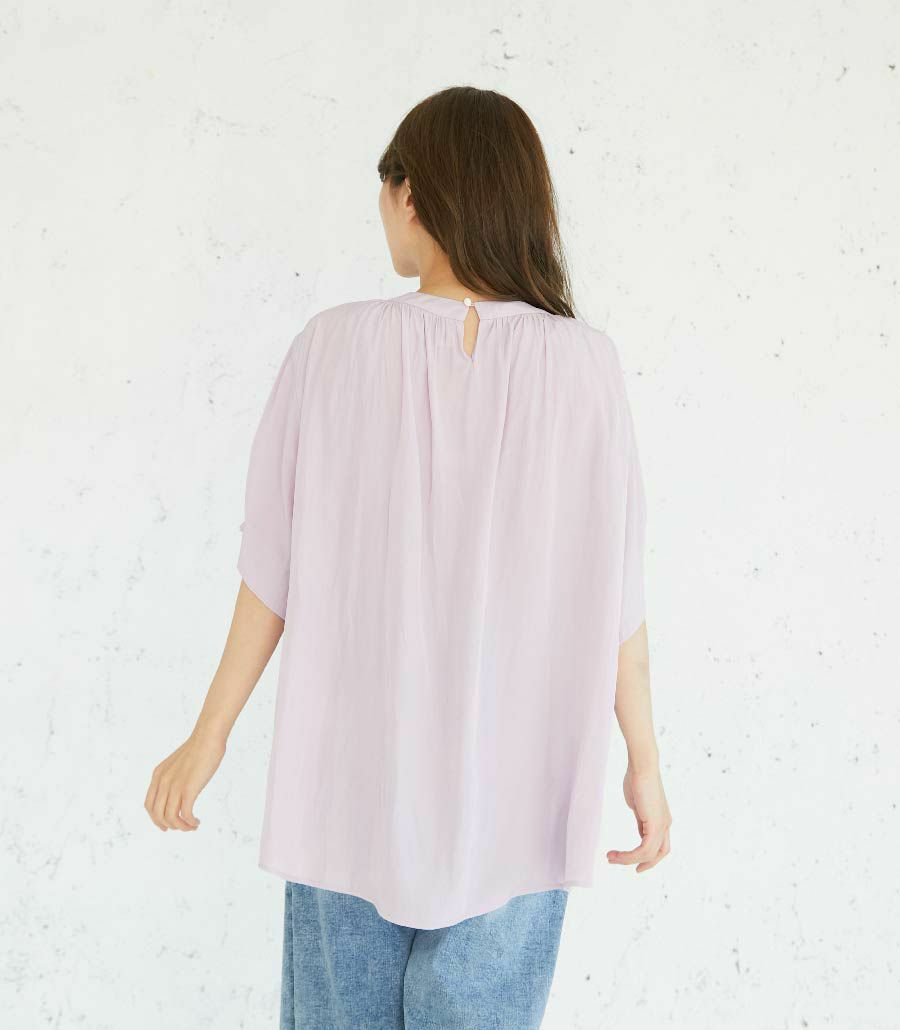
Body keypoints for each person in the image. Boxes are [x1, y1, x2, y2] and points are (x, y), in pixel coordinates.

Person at [144, 85, 672, 1030]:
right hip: (522, 780)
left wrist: (209, 734)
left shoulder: (332, 346)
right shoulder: (586, 365)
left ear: (412, 193)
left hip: (347, 776)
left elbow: (271, 569)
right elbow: (616, 588)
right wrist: (643, 760)